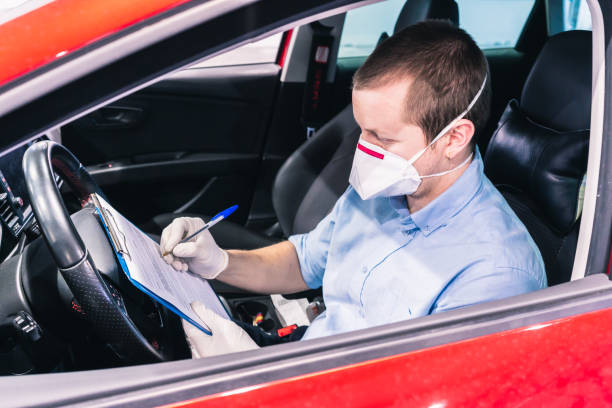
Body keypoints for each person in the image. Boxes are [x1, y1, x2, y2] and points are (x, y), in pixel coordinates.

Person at [160, 20, 547, 358]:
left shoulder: (496, 275)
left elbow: (421, 392)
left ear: (453, 138)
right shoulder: (382, 191)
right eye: (361, 129)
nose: (363, 150)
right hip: (309, 353)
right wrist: (220, 262)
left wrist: (253, 384)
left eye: (383, 138)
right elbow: (303, 262)